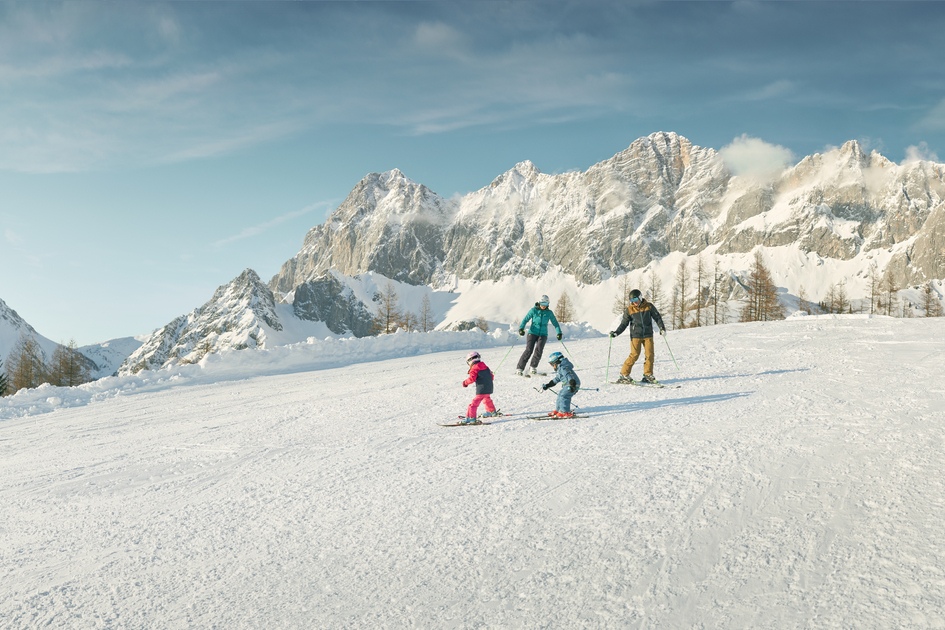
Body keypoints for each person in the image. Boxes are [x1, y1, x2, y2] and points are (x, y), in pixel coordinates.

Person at [610, 289, 667, 384]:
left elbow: (657, 317)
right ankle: (624, 374)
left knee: (650, 355)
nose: (634, 302)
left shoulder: (649, 306)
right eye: (631, 300)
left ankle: (648, 375)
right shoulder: (629, 310)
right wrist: (616, 333)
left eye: (635, 299)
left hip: (648, 335)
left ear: (640, 297)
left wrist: (662, 328)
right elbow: (623, 324)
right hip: (635, 336)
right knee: (634, 355)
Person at [515, 294, 563, 376]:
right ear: (539, 302)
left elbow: (555, 323)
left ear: (548, 304)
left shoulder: (549, 313)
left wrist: (559, 332)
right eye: (542, 304)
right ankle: (519, 368)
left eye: (546, 304)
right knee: (529, 350)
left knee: (539, 350)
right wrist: (521, 328)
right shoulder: (533, 310)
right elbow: (525, 319)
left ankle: (533, 367)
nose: (543, 306)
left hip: (543, 334)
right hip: (532, 332)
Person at [461, 351, 498, 424]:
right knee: (487, 399)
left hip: (481, 390)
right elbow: (492, 376)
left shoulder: (474, 368)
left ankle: (471, 418)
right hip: (489, 388)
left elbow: (472, 379)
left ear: (470, 361)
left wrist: (465, 383)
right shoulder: (486, 367)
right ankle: (491, 411)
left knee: (474, 404)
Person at [541, 351, 581, 417]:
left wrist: (572, 383)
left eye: (552, 364)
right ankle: (559, 410)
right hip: (568, 384)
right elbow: (557, 379)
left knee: (564, 396)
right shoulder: (560, 369)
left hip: (572, 383)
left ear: (557, 362)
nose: (552, 367)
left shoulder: (563, 367)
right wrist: (548, 385)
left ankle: (565, 412)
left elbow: (569, 374)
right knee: (560, 395)